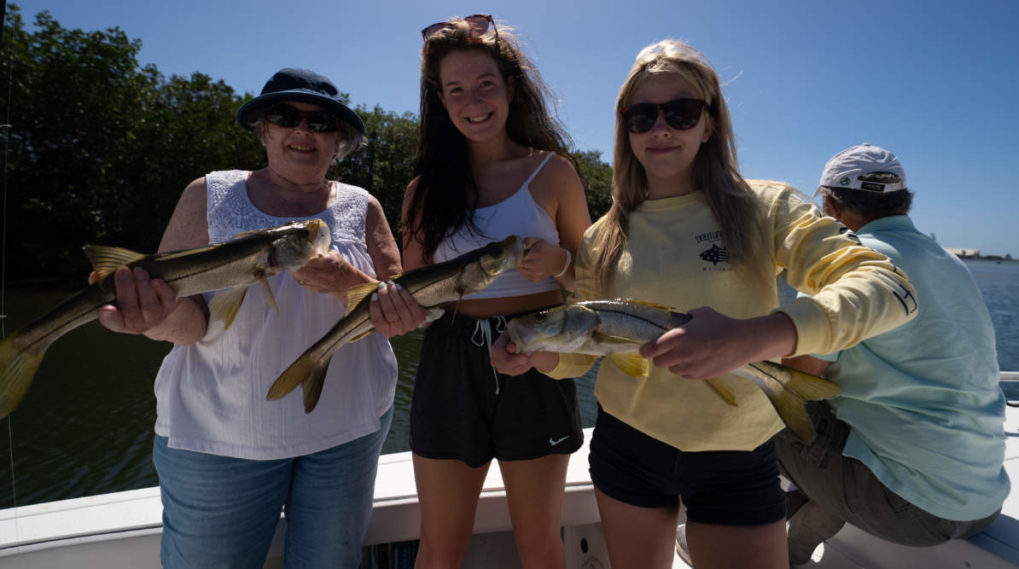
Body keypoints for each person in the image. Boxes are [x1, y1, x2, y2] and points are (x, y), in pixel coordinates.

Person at [491, 40, 920, 569]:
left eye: (681, 111)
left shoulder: (765, 206)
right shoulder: (604, 235)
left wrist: (756, 337)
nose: (660, 129)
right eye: (642, 116)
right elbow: (588, 348)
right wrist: (540, 357)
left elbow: (890, 289)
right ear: (625, 129)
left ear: (709, 123)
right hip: (627, 445)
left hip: (736, 455)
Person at [95, 68, 426, 568]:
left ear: (338, 139)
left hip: (348, 431)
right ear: (263, 129)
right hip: (218, 437)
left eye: (322, 122)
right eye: (286, 115)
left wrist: (347, 284)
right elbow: (191, 325)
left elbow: (399, 311)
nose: (304, 131)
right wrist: (154, 320)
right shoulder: (208, 193)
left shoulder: (364, 205)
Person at [403, 15, 592, 569]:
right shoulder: (422, 191)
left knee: (539, 544)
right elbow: (411, 296)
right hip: (448, 362)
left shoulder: (554, 173)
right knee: (440, 547)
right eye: (456, 89)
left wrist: (558, 264)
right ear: (441, 100)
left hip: (538, 353)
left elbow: (597, 285)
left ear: (510, 88)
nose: (473, 101)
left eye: (485, 83)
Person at [773, 143, 1009, 565]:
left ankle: (747, 543)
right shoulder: (952, 264)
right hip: (984, 500)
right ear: (903, 201)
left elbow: (796, 376)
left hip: (911, 508)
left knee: (758, 398)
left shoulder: (848, 265)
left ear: (828, 202)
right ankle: (797, 537)